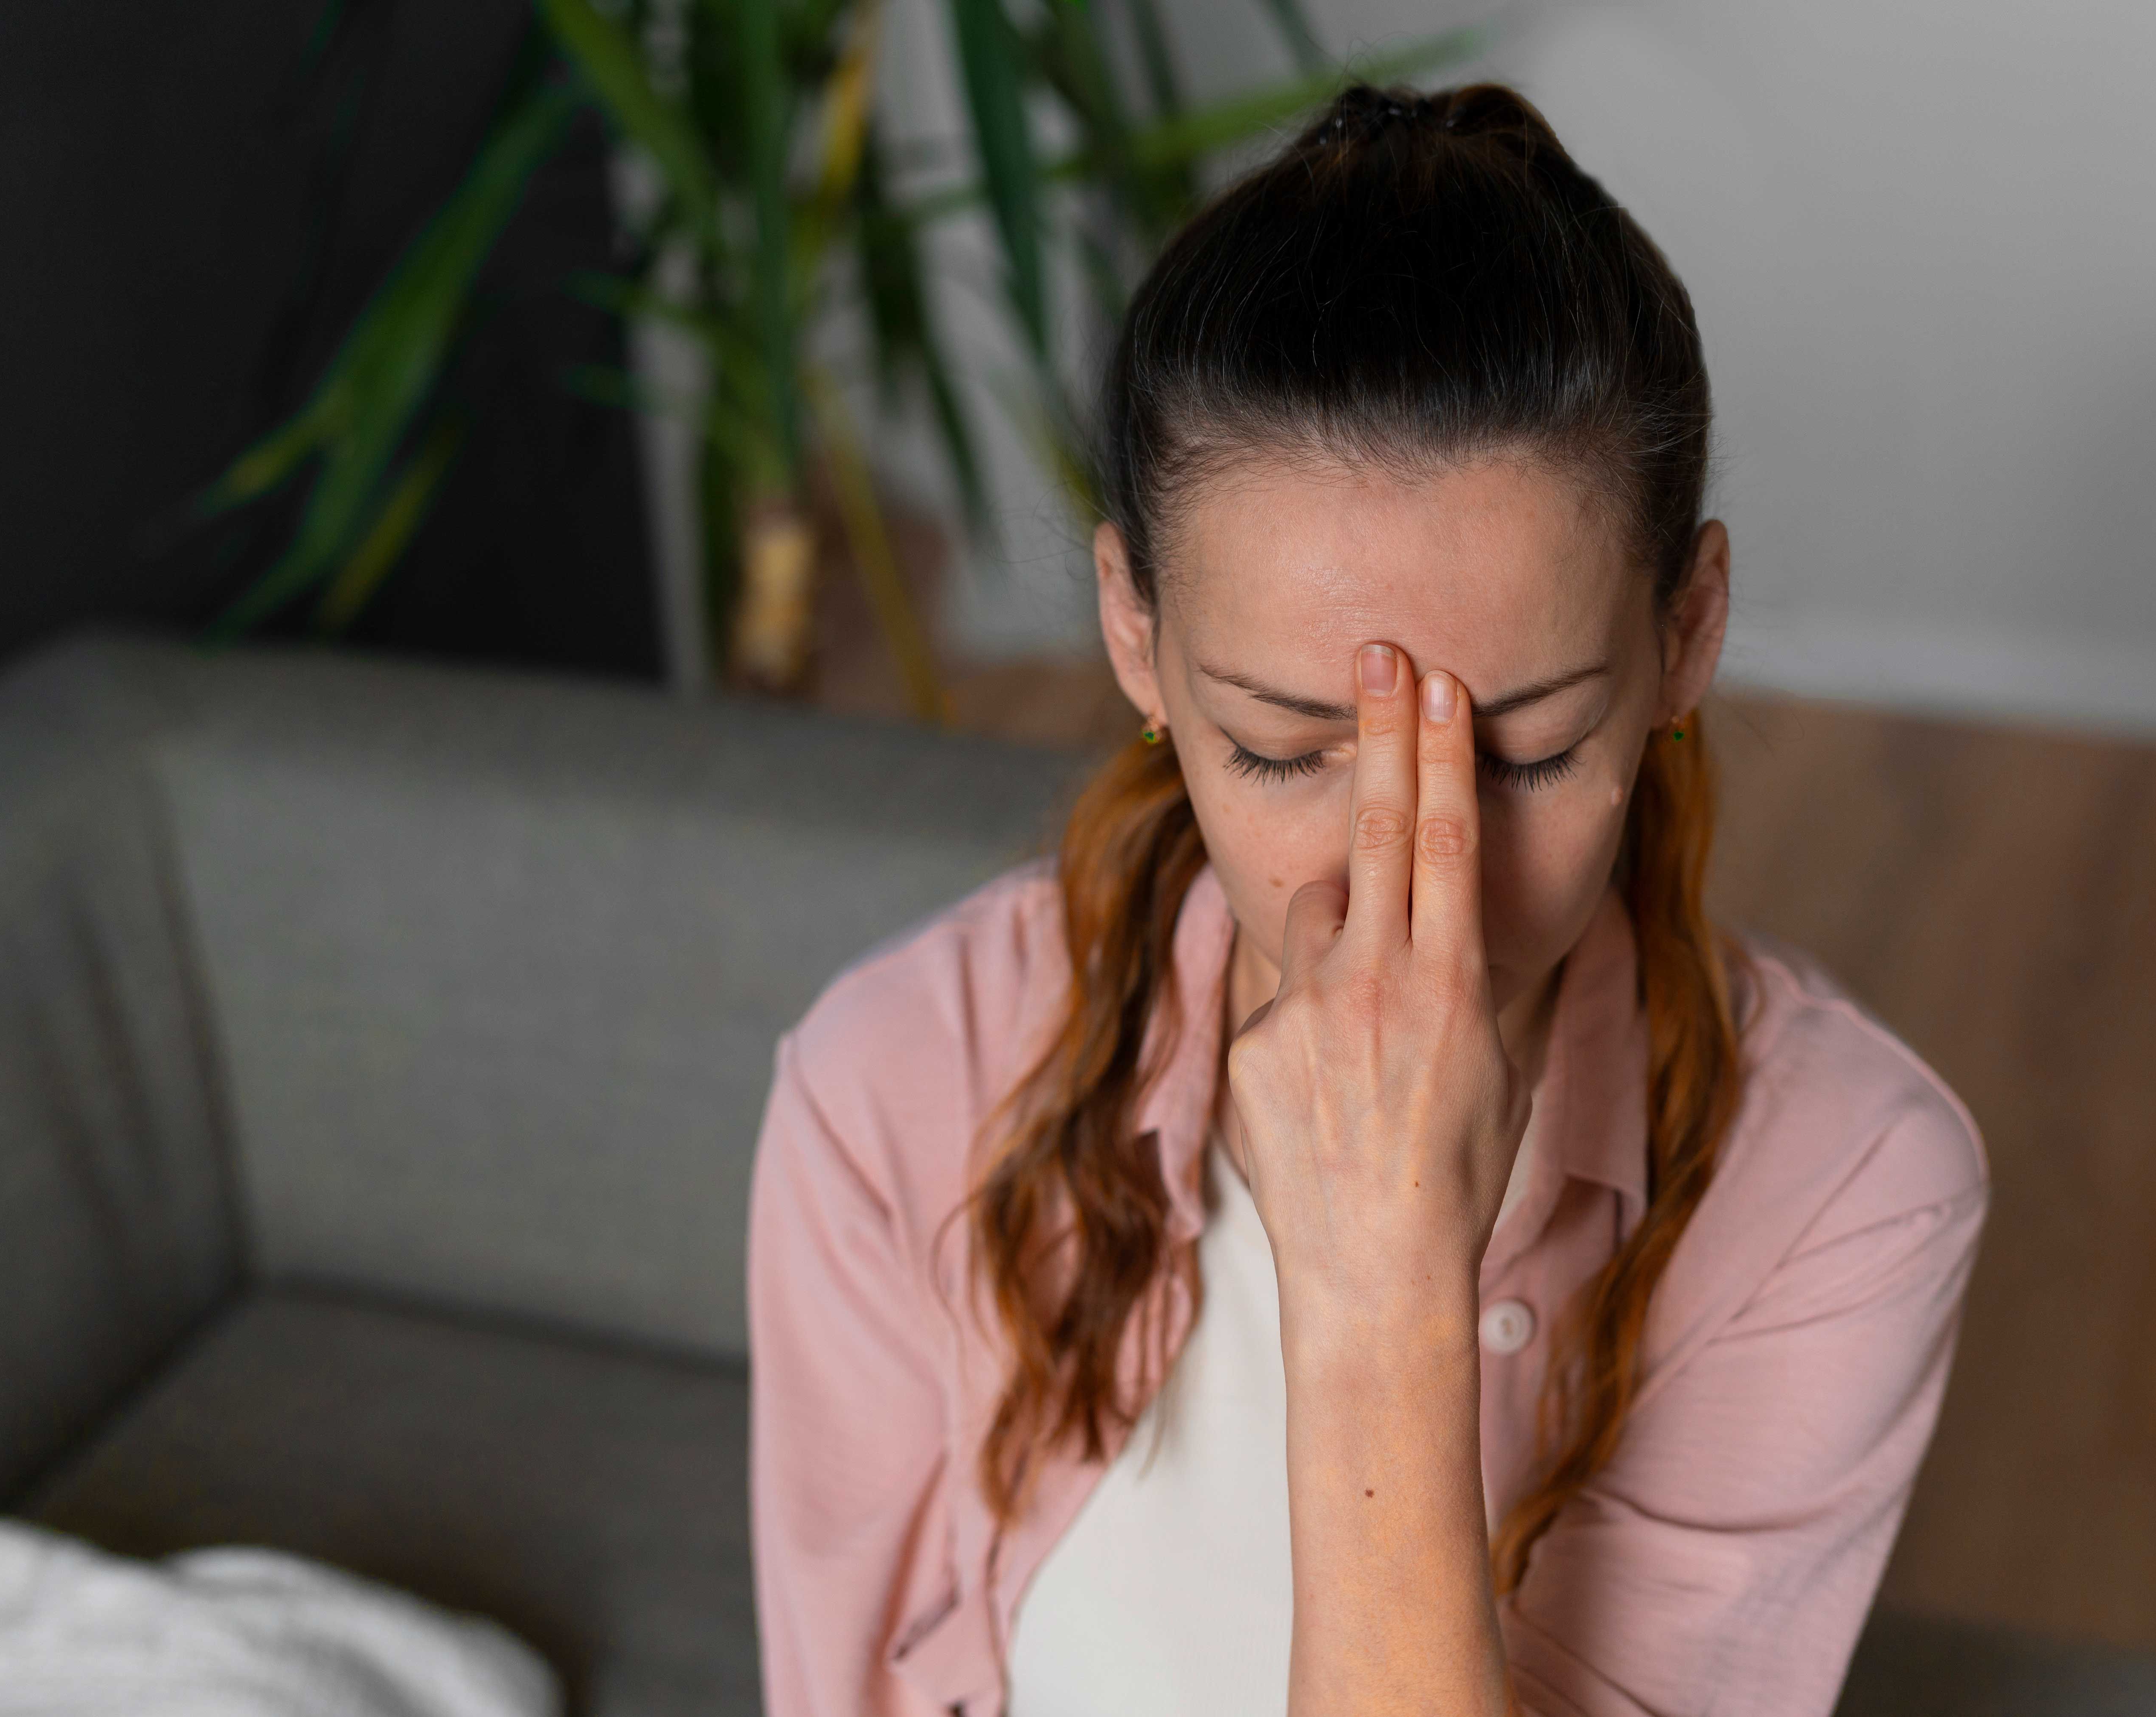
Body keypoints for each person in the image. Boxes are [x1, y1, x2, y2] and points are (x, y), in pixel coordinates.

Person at [747, 81, 1989, 1717]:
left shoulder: (1848, 1191)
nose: (1410, 879)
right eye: (1281, 750)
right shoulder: (897, 1088)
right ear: (1134, 634)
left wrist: (1385, 1293)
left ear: (1687, 633)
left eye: (1527, 755)